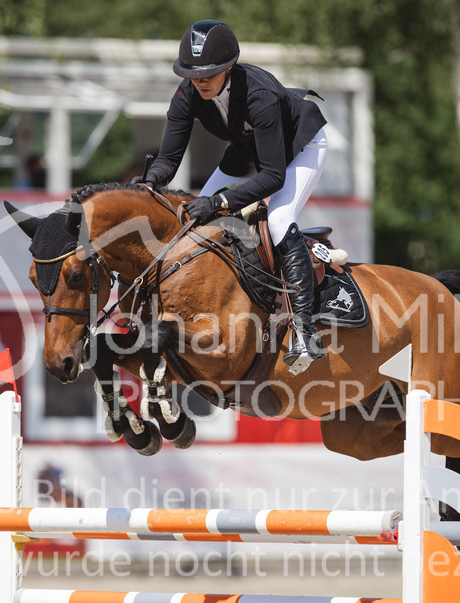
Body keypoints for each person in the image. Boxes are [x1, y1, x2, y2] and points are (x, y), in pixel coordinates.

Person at [133, 20, 330, 375]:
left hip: (301, 147)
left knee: (278, 219)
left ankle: (304, 329)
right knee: (191, 222)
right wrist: (149, 183)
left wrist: (220, 203)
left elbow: (273, 176)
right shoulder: (187, 94)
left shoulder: (259, 94)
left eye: (208, 73)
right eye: (193, 74)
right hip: (248, 152)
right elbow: (168, 160)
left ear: (228, 68)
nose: (200, 81)